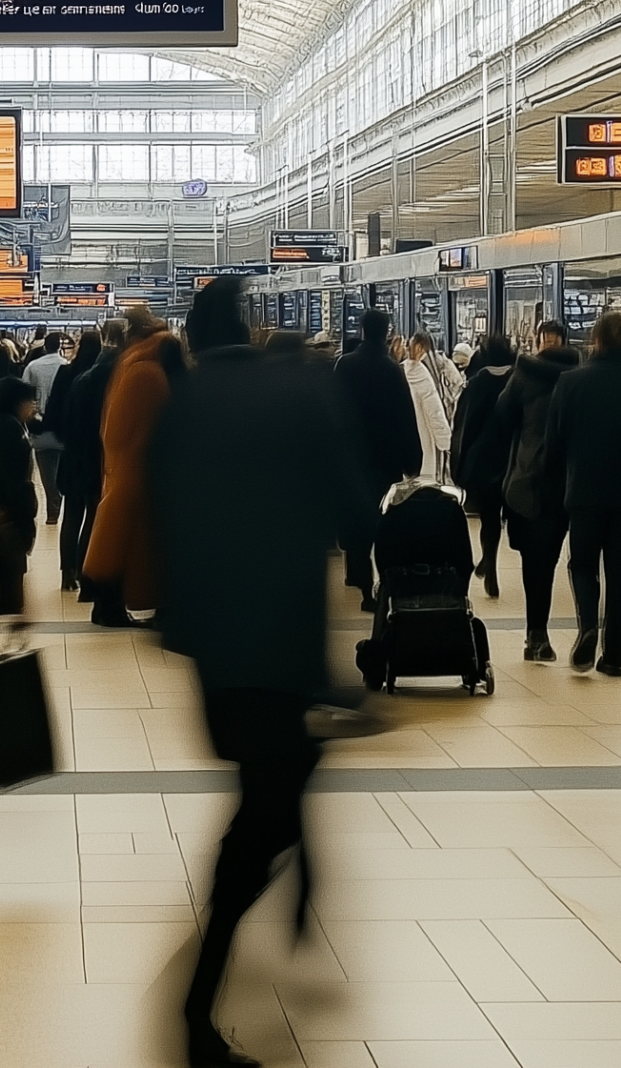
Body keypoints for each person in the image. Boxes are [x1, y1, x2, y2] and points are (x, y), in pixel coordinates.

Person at [152, 279, 366, 1068]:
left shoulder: (181, 403)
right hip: (284, 636)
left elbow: (156, 508)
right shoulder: (298, 390)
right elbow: (354, 502)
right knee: (267, 806)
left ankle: (229, 952)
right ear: (248, 325)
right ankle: (196, 1000)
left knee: (265, 781)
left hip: (212, 642)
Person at [540, 311, 621, 678]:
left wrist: (552, 487)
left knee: (582, 565)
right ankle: (613, 658)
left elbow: (553, 444)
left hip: (584, 492)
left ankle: (587, 628)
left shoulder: (570, 383)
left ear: (594, 341)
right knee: (620, 574)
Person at [83, 305, 183, 628]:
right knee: (135, 547)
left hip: (122, 471)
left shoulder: (132, 365)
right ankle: (120, 607)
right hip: (138, 474)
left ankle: (112, 607)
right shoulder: (149, 371)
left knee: (118, 544)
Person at [333, 308, 422, 610]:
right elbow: (404, 416)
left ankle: (358, 579)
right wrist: (413, 460)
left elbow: (333, 411)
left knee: (356, 520)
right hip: (385, 459)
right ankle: (379, 584)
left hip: (351, 457)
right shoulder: (390, 368)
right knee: (382, 521)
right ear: (386, 332)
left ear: (361, 330)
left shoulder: (344, 365)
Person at [447, 335, 517, 596]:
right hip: (512, 459)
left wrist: (459, 465)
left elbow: (464, 427)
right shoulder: (517, 380)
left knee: (489, 517)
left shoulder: (476, 384)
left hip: (483, 462)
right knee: (507, 515)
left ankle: (490, 561)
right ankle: (490, 561)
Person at [53, 329, 109, 593]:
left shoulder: (66, 373)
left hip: (71, 453)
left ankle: (66, 574)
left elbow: (54, 414)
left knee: (71, 514)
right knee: (93, 513)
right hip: (95, 455)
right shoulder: (103, 378)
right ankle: (85, 572)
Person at [0, 376, 40, 615]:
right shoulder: (10, 428)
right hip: (10, 513)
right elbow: (13, 476)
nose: (34, 406)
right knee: (11, 590)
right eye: (30, 400)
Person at [23, 331, 69, 524]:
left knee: (46, 471)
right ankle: (59, 497)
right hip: (63, 428)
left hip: (40, 427)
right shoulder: (67, 366)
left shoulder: (33, 367)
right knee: (61, 467)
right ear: (60, 346)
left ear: (44, 347)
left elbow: (24, 394)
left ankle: (53, 506)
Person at [401, 333, 454, 482]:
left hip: (404, 435)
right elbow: (434, 411)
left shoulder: (400, 370)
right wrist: (445, 440)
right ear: (421, 348)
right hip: (423, 435)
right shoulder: (421, 373)